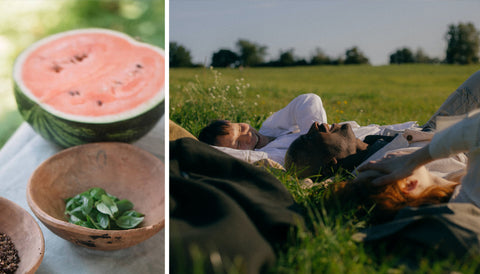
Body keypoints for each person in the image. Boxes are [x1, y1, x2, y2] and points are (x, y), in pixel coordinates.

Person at [285, 70, 480, 179]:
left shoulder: (370, 138)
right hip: (462, 151)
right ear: (329, 165)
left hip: (434, 129)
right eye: (310, 137)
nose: (318, 125)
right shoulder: (384, 168)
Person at [199, 93, 416, 166]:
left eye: (241, 128)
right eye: (238, 143)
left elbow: (307, 100)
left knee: (434, 125)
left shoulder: (271, 127)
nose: (246, 136)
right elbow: (221, 154)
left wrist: (316, 136)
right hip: (378, 149)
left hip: (379, 132)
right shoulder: (269, 156)